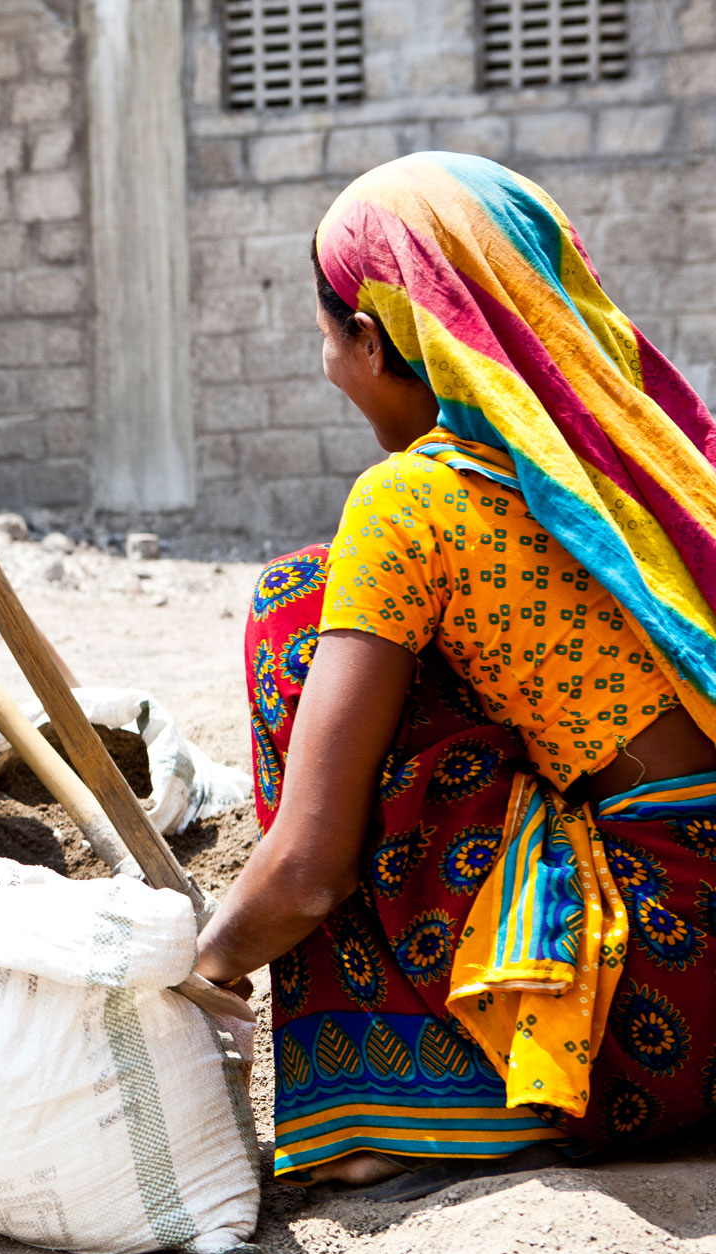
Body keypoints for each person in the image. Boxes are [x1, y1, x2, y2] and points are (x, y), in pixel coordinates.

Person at [193, 152, 716, 1187]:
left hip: (656, 1014)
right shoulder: (657, 466)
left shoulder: (411, 501)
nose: (327, 370)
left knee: (299, 605)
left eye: (328, 340)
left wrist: (197, 970)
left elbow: (307, 869)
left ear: (376, 339)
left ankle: (382, 1099)